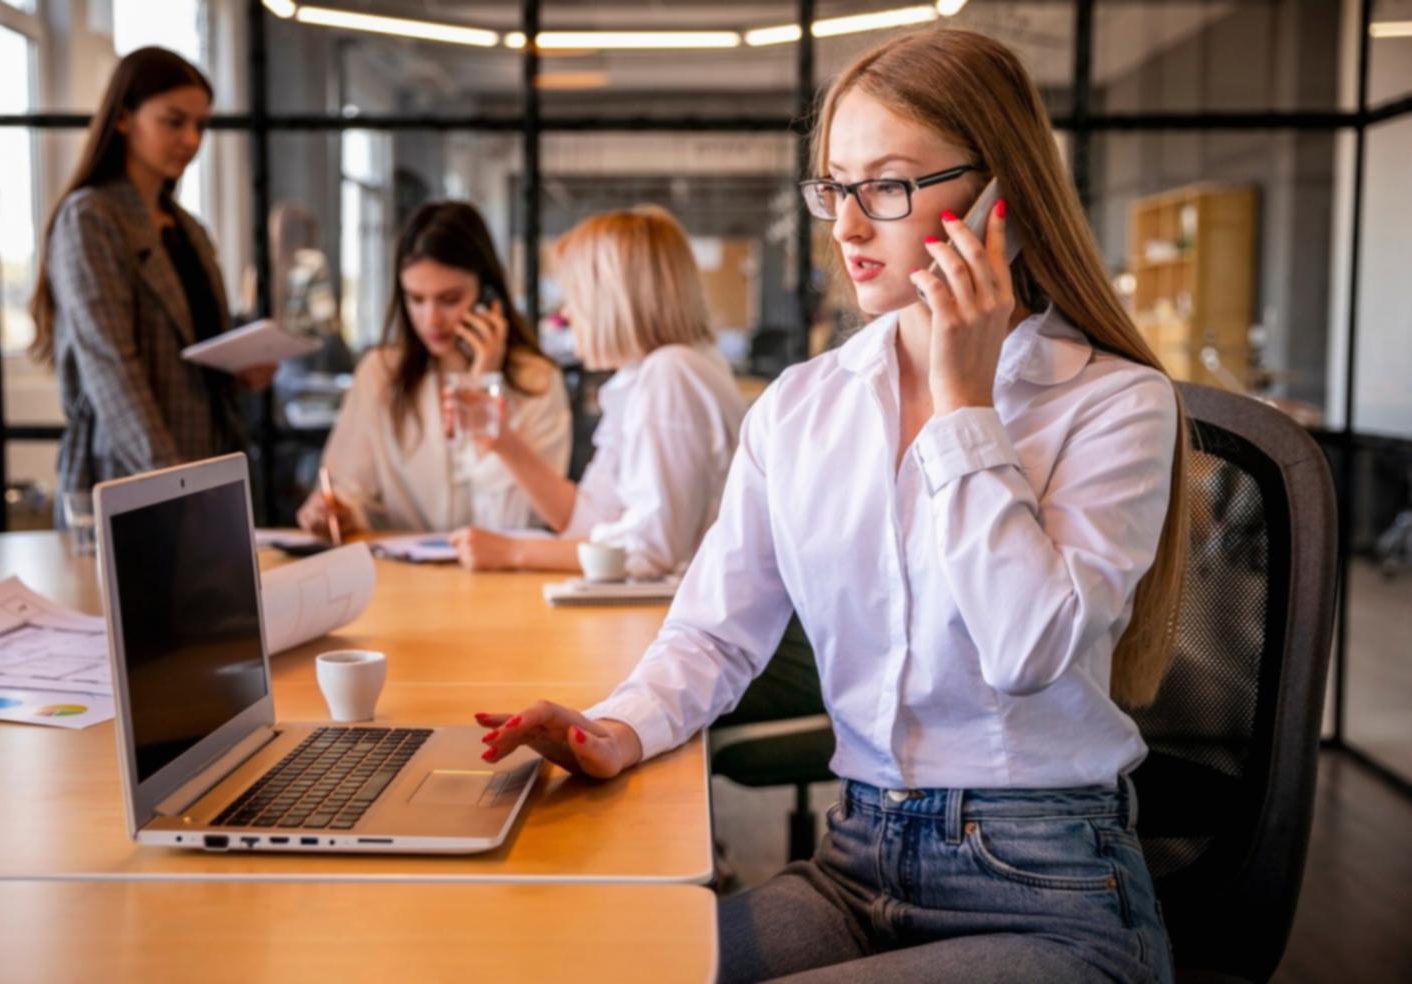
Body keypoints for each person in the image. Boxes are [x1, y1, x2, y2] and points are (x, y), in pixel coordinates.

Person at [475, 29, 1190, 984]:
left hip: (1049, 892)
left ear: (997, 198)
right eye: (835, 187)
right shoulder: (800, 406)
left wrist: (964, 406)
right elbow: (718, 634)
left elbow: (1025, 651)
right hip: (852, 866)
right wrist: (621, 726)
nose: (847, 226)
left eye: (886, 186)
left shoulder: (1111, 403)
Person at [31, 47, 273, 508]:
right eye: (174, 121)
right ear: (124, 119)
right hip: (131, 476)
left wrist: (241, 370)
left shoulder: (188, 228)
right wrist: (172, 482)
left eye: (201, 125)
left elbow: (194, 352)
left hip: (207, 461)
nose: (191, 139)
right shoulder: (91, 218)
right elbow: (111, 368)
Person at [447, 206, 746, 579]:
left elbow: (649, 552)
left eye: (575, 297)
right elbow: (590, 526)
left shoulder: (672, 373)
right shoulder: (647, 376)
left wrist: (514, 551)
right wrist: (502, 441)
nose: (567, 315)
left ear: (613, 299)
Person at [297, 202, 570, 535]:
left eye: (449, 299)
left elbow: (513, 522)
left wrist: (483, 383)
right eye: (416, 299)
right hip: (404, 576)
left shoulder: (538, 381)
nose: (431, 320)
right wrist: (338, 511)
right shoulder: (380, 373)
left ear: (487, 294)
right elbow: (350, 488)